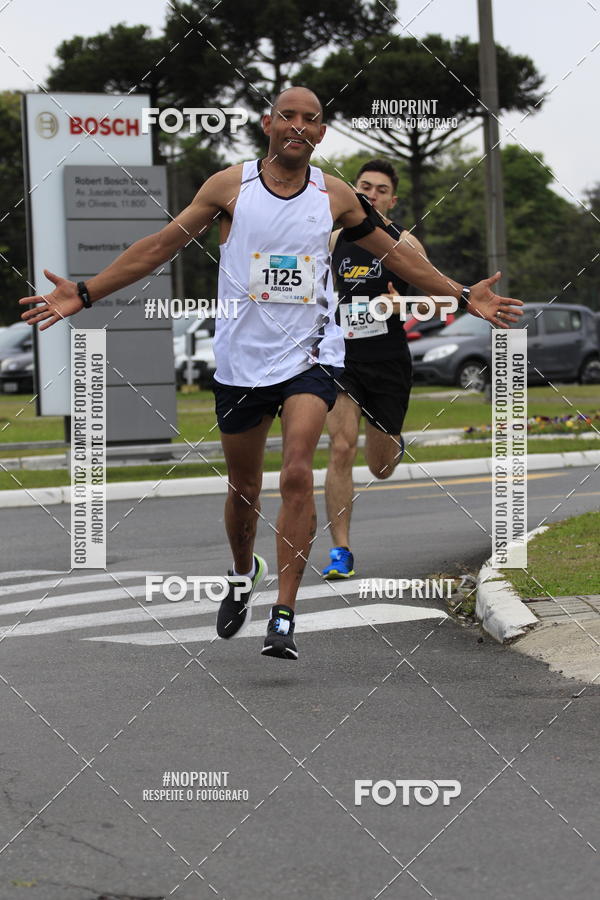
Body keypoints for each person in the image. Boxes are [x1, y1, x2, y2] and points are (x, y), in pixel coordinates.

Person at [19, 86, 522, 661]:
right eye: (289, 116)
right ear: (268, 123)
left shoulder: (336, 196)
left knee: (298, 473)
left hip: (311, 356)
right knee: (244, 490)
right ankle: (241, 571)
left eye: (312, 120)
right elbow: (158, 248)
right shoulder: (229, 188)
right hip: (240, 361)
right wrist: (85, 292)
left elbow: (396, 255)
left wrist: (460, 293)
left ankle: (283, 613)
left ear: (322, 133)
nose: (299, 126)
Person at [323, 159, 426, 579]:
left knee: (380, 467)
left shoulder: (408, 245)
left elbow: (431, 300)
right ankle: (341, 550)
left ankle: (393, 437)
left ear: (392, 199)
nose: (371, 194)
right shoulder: (333, 241)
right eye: (365, 186)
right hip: (342, 359)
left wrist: (403, 303)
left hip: (388, 359)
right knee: (340, 447)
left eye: (381, 189)